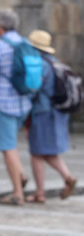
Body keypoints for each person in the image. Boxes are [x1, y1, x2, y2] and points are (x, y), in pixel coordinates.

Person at [0, 9, 33, 205]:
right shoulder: (26, 43)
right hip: (24, 101)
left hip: (5, 103)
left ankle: (17, 193)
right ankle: (20, 173)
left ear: (0, 26)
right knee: (11, 142)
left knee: (7, 146)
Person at [23, 29, 78, 204]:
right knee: (49, 151)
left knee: (37, 152)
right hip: (59, 113)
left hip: (42, 113)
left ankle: (40, 192)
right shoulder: (55, 63)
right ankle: (67, 177)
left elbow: (32, 90)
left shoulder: (38, 65)